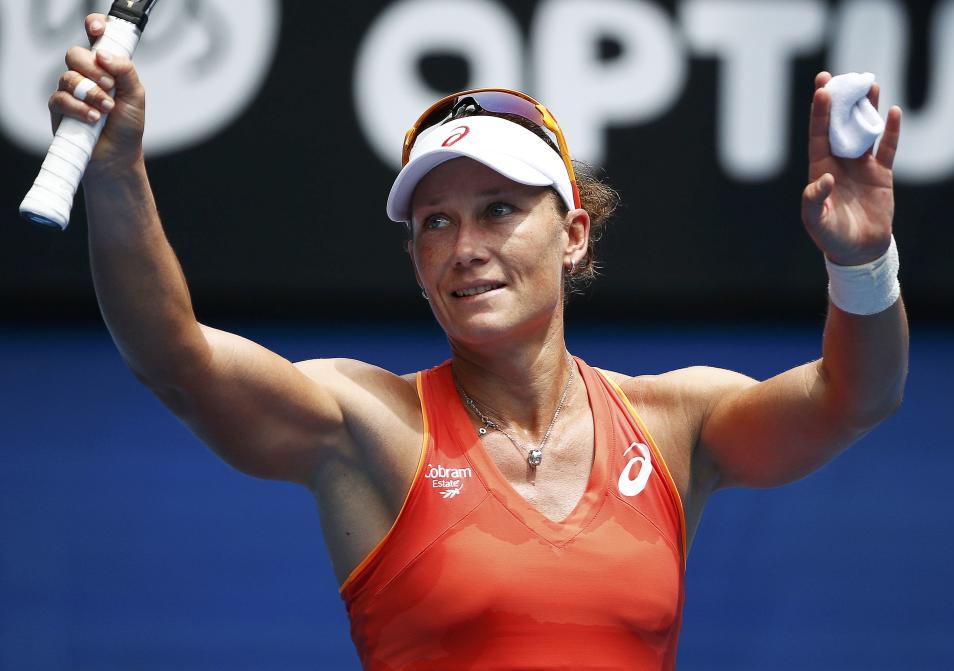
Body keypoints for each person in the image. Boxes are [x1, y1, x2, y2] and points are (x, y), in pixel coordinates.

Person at [50, 12, 908, 671]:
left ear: (573, 233)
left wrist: (864, 259)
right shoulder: (370, 425)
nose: (465, 246)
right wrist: (119, 167)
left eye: (499, 209)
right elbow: (176, 358)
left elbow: (854, 397)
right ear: (417, 262)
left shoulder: (674, 422)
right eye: (435, 222)